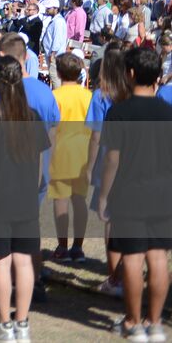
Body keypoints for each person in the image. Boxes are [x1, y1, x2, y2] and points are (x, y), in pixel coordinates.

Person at [0, 55, 49, 342]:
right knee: (24, 261)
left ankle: (4, 324)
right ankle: (22, 323)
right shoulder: (32, 117)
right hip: (24, 197)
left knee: (1, 261)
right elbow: (40, 163)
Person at [97, 46, 172, 341]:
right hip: (163, 192)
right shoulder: (168, 112)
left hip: (129, 192)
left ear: (129, 74)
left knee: (132, 257)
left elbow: (112, 159)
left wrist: (104, 196)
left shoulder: (120, 111)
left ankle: (133, 321)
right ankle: (154, 323)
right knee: (158, 257)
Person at [49, 52, 92, 264]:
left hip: (60, 151)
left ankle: (62, 245)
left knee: (61, 200)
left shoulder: (55, 96)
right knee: (79, 200)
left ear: (58, 72)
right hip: (83, 152)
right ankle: (78, 247)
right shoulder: (88, 96)